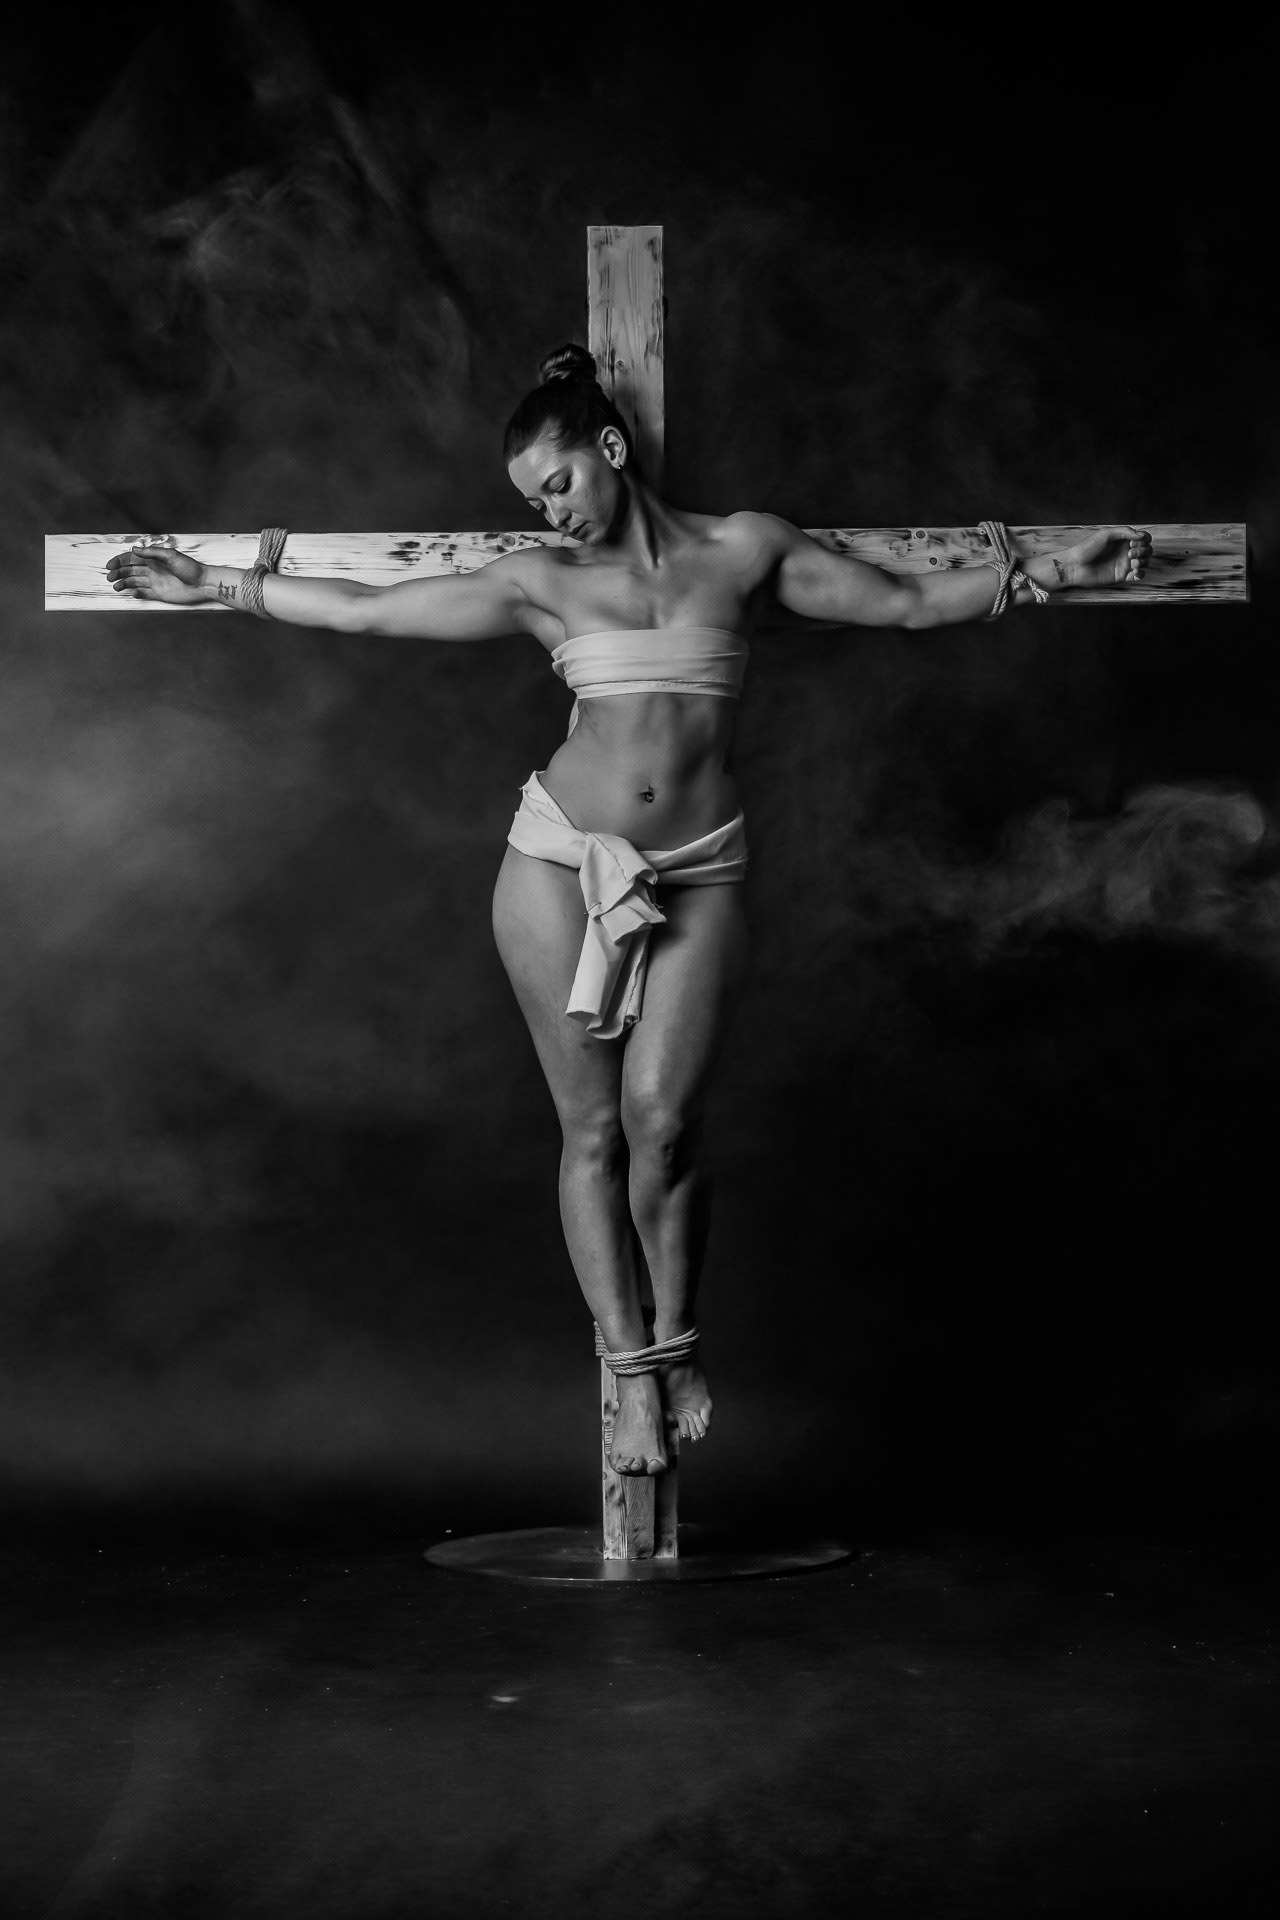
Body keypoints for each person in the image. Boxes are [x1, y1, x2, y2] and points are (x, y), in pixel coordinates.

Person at [106, 344, 1152, 1477]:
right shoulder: (539, 583)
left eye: (557, 484)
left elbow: (903, 603)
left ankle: (678, 1339)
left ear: (609, 448)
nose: (550, 513)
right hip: (559, 862)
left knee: (665, 1124)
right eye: (532, 502)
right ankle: (630, 1370)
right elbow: (365, 612)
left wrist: (1057, 572)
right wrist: (218, 584)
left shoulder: (744, 550)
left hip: (698, 866)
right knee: (594, 1131)